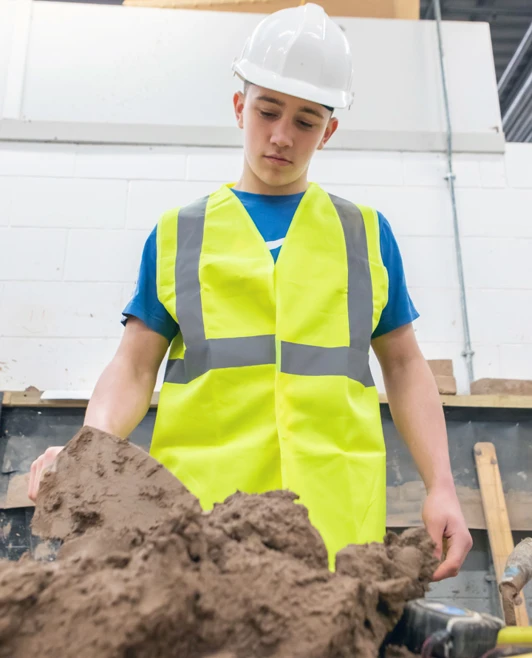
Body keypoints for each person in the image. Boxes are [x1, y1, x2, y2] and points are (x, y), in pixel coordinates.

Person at [29, 3, 472, 578]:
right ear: (240, 106)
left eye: (307, 120)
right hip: (203, 523)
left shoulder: (364, 233)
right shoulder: (178, 234)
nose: (282, 136)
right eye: (268, 111)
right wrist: (86, 448)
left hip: (335, 525)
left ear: (329, 130)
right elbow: (134, 368)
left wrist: (441, 485)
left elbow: (407, 367)